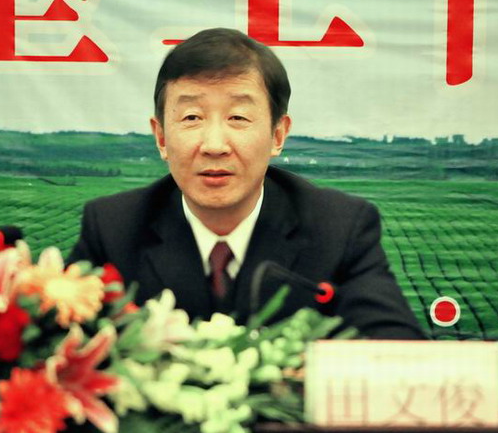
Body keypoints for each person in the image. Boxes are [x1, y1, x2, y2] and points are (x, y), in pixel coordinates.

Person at [68, 28, 425, 339]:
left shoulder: (339, 227)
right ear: (161, 137)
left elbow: (395, 348)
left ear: (277, 135)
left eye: (238, 117)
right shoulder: (113, 228)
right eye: (191, 117)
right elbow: (60, 344)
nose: (214, 145)